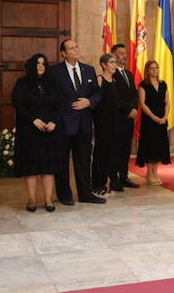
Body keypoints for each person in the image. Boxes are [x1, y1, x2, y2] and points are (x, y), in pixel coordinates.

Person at [45, 38, 105, 205]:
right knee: (62, 160)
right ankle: (65, 195)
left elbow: (98, 93)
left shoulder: (89, 70)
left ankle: (86, 194)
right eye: (71, 48)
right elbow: (49, 97)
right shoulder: (54, 72)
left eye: (76, 47)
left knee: (84, 160)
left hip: (84, 124)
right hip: (63, 124)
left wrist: (89, 102)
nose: (76, 50)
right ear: (64, 53)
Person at [11, 53, 63, 212]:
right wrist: (33, 119)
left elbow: (60, 104)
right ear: (32, 65)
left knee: (48, 168)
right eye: (37, 63)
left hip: (49, 131)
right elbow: (18, 104)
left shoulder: (53, 83)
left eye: (43, 63)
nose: (41, 66)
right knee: (31, 167)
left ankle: (48, 199)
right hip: (30, 130)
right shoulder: (22, 83)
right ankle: (32, 200)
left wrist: (54, 121)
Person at [90, 53, 123, 196]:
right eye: (111, 62)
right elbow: (95, 102)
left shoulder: (114, 81)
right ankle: (97, 185)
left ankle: (108, 183)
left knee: (112, 153)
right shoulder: (100, 79)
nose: (114, 65)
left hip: (114, 122)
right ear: (103, 65)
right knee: (101, 153)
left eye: (115, 62)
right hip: (102, 122)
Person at [109, 43, 140, 189]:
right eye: (121, 53)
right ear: (114, 55)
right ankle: (114, 180)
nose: (124, 56)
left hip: (129, 118)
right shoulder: (111, 74)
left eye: (125, 53)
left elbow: (134, 93)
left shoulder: (128, 73)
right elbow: (115, 97)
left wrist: (134, 108)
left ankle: (124, 177)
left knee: (126, 149)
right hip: (118, 117)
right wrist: (128, 110)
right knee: (115, 149)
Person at [135, 59, 171, 185]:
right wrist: (152, 116)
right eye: (151, 68)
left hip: (162, 119)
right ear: (147, 70)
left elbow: (167, 102)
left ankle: (155, 172)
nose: (154, 70)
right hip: (149, 120)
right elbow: (142, 103)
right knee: (150, 145)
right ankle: (149, 172)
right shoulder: (143, 85)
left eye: (156, 68)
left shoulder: (163, 84)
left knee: (159, 145)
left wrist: (165, 116)